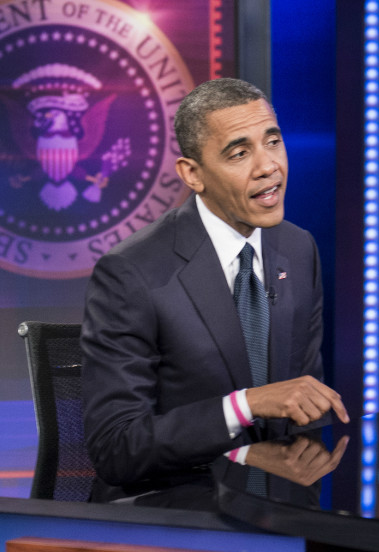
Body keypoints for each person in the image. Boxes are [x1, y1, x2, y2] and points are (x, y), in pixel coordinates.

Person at [82, 78, 348, 499]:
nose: (268, 166)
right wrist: (244, 405)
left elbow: (304, 405)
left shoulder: (298, 249)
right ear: (193, 174)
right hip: (173, 504)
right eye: (239, 153)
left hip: (276, 501)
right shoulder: (132, 272)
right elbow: (117, 448)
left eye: (273, 142)